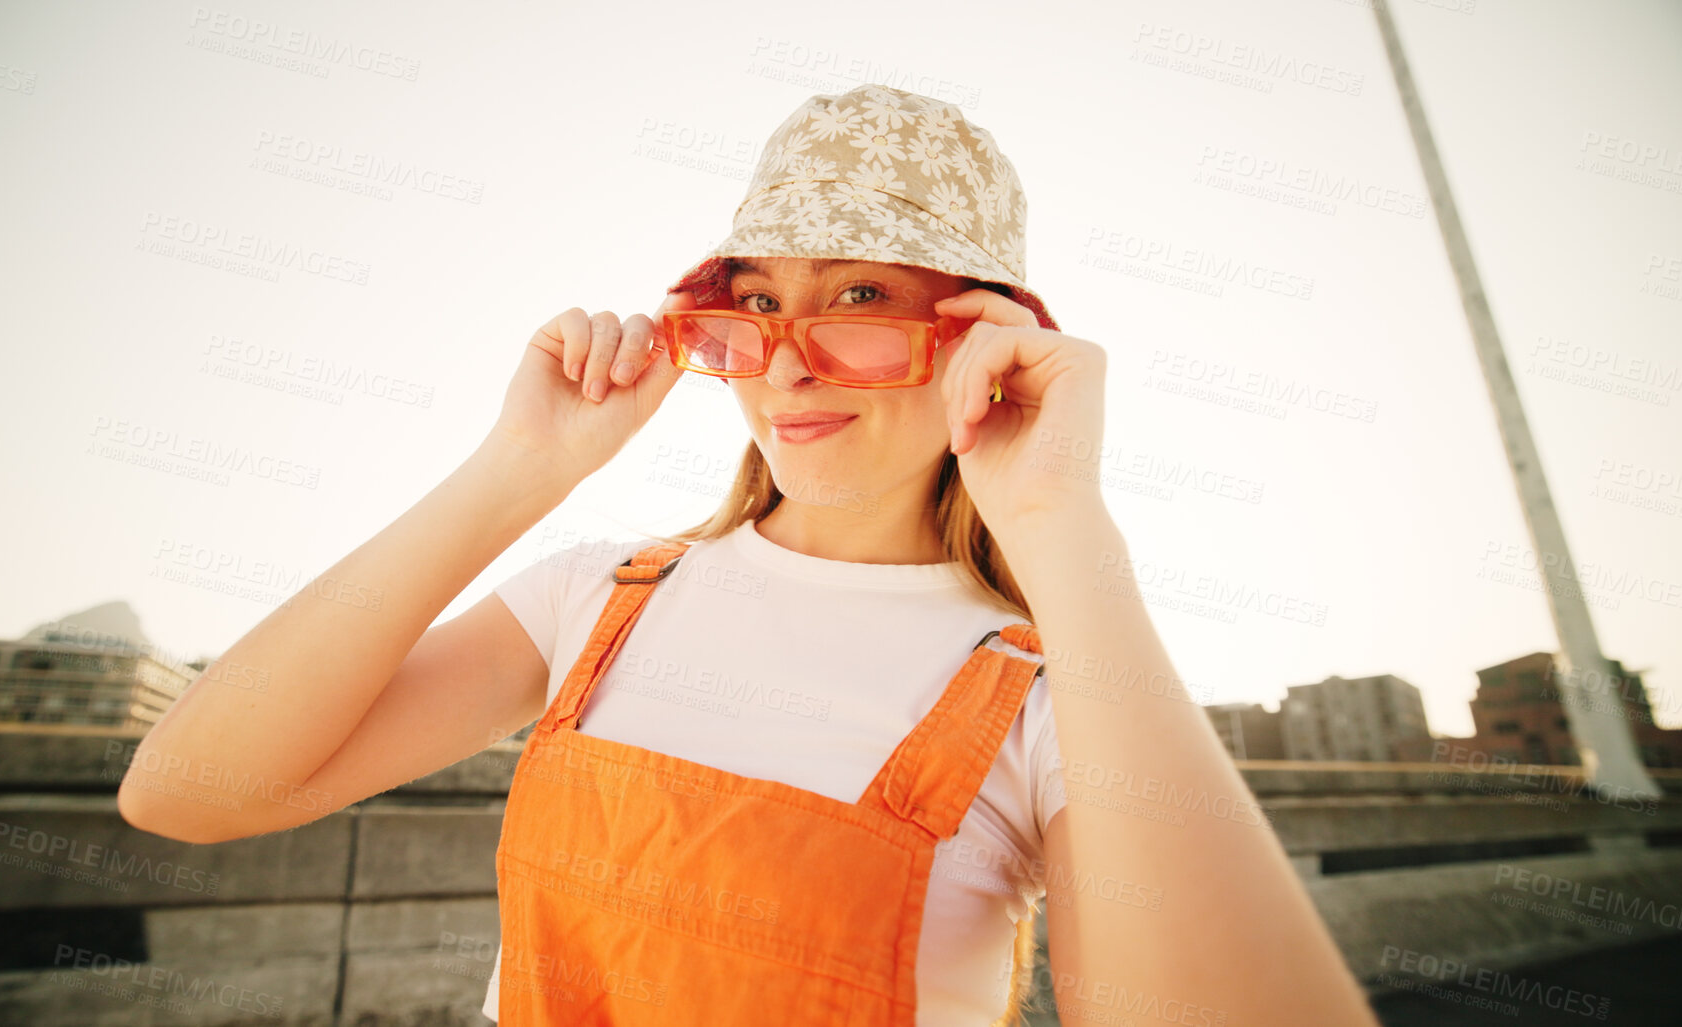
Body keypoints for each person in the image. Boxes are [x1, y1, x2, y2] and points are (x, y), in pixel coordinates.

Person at [119, 84, 1381, 1026]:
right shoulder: (597, 598)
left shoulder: (1051, 691)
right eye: (758, 303)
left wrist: (1064, 527)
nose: (782, 364)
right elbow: (188, 790)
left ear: (981, 336)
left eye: (860, 301)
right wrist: (525, 466)